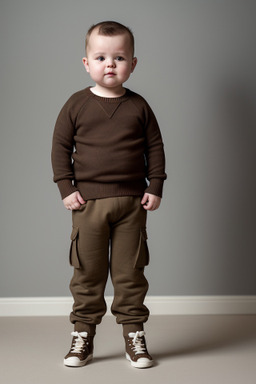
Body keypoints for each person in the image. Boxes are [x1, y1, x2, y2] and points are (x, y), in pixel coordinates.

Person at [51, 20, 167, 369]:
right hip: (88, 205)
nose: (110, 64)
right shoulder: (76, 104)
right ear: (87, 63)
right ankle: (82, 336)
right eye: (101, 57)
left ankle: (135, 336)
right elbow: (60, 147)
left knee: (131, 273)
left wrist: (155, 185)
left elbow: (155, 147)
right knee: (87, 272)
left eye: (119, 57)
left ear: (133, 64)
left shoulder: (139, 106)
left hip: (133, 204)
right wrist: (66, 188)